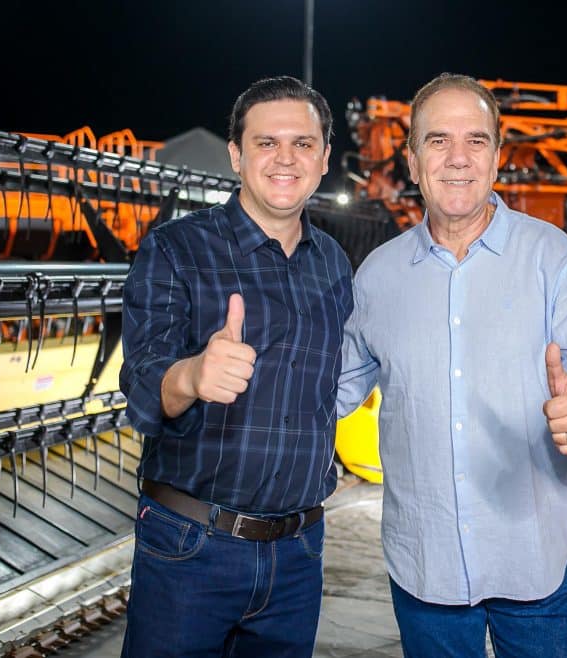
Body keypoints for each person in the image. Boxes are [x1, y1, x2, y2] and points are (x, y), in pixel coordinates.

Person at [337, 73, 567, 657]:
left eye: (475, 140)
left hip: (534, 563)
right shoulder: (378, 276)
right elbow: (332, 389)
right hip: (425, 567)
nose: (458, 158)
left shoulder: (552, 257)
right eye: (438, 140)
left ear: (497, 157)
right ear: (412, 161)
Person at [119, 75, 353, 658]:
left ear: (324, 158)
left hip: (299, 553)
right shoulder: (176, 248)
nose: (285, 158)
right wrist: (192, 375)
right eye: (266, 142)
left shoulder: (334, 263)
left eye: (302, 143)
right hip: (191, 547)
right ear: (235, 155)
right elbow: (143, 386)